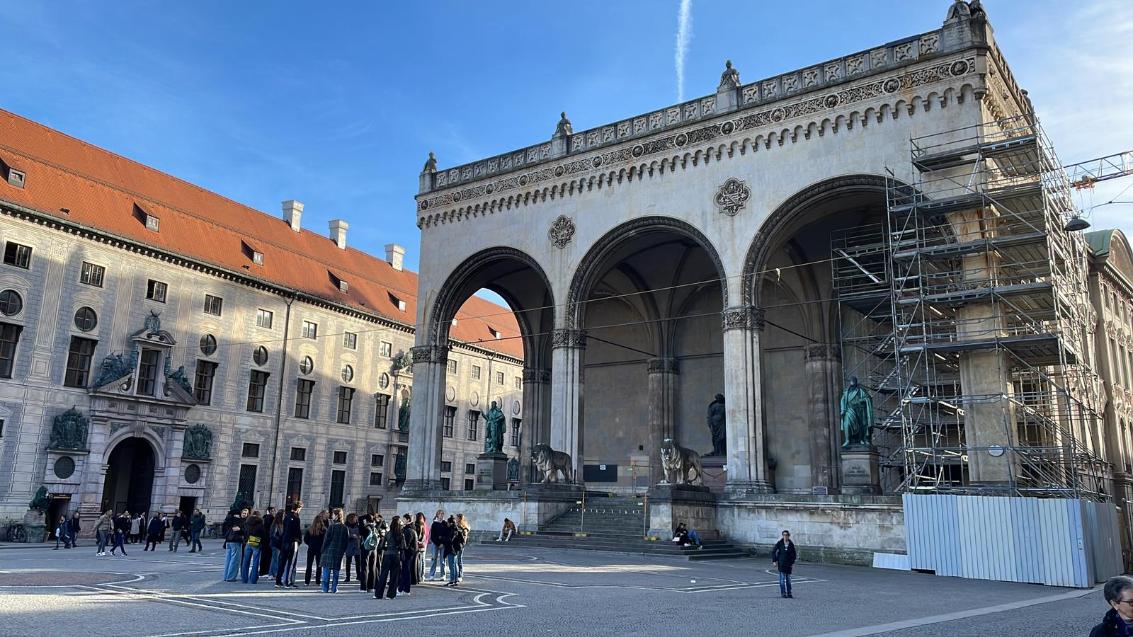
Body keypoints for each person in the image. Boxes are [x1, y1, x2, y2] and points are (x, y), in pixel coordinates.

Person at [320, 509, 348, 593]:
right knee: (336, 572)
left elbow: (326, 540)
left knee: (326, 571)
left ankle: (325, 589)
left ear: (335, 515)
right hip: (339, 552)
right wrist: (343, 550)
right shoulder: (344, 527)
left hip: (329, 551)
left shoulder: (332, 527)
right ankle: (334, 588)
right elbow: (346, 541)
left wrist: (322, 550)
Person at [375, 516, 403, 599]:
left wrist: (387, 548)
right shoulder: (400, 534)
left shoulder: (388, 533)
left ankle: (378, 594)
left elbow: (381, 545)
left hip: (387, 555)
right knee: (394, 576)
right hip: (396, 555)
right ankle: (390, 595)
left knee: (383, 574)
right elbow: (403, 546)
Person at [276, 501, 303, 588]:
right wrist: (299, 541)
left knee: (282, 561)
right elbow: (297, 531)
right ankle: (288, 582)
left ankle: (278, 580)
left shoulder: (287, 516)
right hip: (293, 542)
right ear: (298, 508)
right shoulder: (296, 518)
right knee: (291, 562)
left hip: (285, 541)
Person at [771, 529, 797, 599]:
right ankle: (783, 593)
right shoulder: (779, 543)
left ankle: (789, 593)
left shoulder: (791, 544)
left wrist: (792, 562)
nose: (785, 536)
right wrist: (774, 561)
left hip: (788, 564)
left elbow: (794, 554)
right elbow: (773, 551)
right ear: (782, 536)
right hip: (781, 563)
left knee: (788, 580)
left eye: (786, 535)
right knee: (782, 579)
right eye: (784, 535)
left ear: (789, 536)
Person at [241, 512, 264, 584]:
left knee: (245, 561)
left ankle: (244, 579)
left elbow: (244, 532)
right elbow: (263, 534)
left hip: (248, 542)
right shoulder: (260, 524)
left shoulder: (247, 523)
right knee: (255, 562)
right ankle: (253, 579)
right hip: (256, 542)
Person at [398, 513, 418, 595]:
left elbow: (407, 544)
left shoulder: (408, 530)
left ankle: (402, 589)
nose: (403, 521)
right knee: (406, 571)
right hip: (410, 552)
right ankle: (406, 589)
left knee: (405, 571)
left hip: (408, 553)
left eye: (404, 519)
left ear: (408, 520)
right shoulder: (410, 528)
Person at [223, 510, 246, 582]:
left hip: (228, 541)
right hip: (236, 541)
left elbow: (224, 530)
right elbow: (242, 531)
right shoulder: (239, 521)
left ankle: (226, 576)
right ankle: (231, 577)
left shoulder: (228, 520)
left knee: (228, 559)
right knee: (235, 560)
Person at [303, 514, 326, 586]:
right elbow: (325, 540)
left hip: (311, 548)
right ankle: (318, 581)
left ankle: (307, 581)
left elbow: (305, 539)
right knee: (319, 566)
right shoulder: (323, 530)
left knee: (309, 565)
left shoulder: (310, 529)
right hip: (319, 549)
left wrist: (309, 544)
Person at [428, 509, 448, 581]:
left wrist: (442, 543)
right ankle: (432, 575)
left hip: (443, 544)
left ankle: (443, 575)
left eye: (442, 514)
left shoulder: (445, 523)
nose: (441, 515)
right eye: (440, 514)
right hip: (435, 544)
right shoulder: (434, 524)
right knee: (434, 559)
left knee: (443, 560)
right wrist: (438, 543)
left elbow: (446, 534)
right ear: (437, 515)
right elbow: (433, 536)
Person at [344, 513, 361, 583]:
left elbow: (361, 533)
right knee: (348, 562)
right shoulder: (346, 526)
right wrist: (351, 535)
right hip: (349, 545)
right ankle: (348, 577)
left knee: (358, 562)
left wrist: (359, 536)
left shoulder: (359, 525)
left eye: (355, 518)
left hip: (357, 545)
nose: (354, 519)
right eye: (353, 518)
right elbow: (344, 535)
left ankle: (358, 576)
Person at [260, 506, 276, 577]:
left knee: (263, 555)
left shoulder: (263, 518)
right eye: (272, 511)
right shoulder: (271, 518)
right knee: (268, 556)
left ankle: (262, 571)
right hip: (268, 539)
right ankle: (266, 571)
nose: (273, 512)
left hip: (263, 539)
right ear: (269, 511)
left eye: (273, 511)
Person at [414, 512, 428, 584]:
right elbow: (426, 535)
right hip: (423, 544)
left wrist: (418, 542)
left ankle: (419, 576)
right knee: (422, 561)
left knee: (419, 561)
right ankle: (422, 576)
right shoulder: (424, 525)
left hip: (419, 545)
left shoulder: (416, 525)